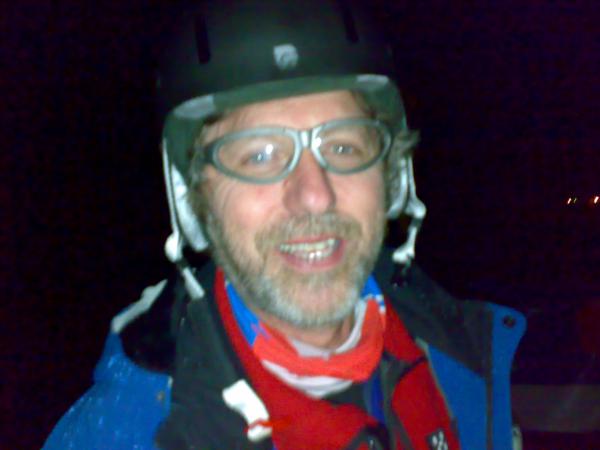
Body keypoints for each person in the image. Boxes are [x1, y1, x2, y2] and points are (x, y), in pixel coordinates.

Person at [44, 1, 525, 448]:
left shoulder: (463, 355)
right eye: (260, 156)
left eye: (343, 147)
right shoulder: (126, 432)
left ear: (392, 177)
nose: (314, 195)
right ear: (194, 200)